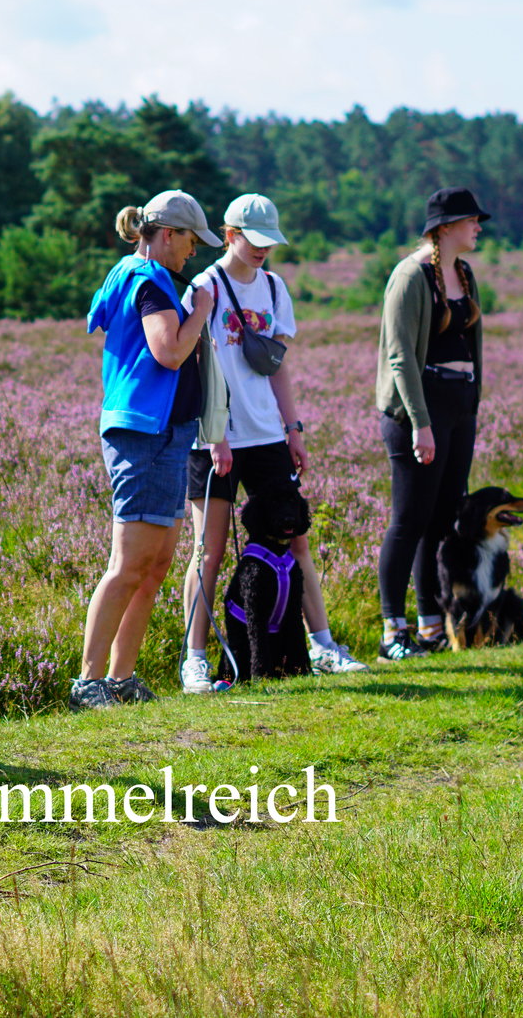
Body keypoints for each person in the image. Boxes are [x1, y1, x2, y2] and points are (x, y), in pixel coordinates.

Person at [180, 194, 367, 691]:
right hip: (214, 440)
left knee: (296, 541)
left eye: (270, 242)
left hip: (267, 437)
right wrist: (216, 435)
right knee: (208, 551)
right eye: (254, 241)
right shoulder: (204, 287)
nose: (263, 250)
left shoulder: (275, 287)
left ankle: (323, 646)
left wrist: (293, 428)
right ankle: (195, 659)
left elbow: (277, 366)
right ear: (230, 235)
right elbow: (195, 367)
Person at [75, 189, 222, 708]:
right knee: (128, 564)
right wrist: (200, 310)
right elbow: (169, 352)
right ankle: (88, 683)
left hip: (167, 432)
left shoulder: (140, 274)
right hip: (144, 433)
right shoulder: (148, 279)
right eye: (190, 240)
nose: (194, 252)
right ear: (167, 234)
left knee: (155, 564)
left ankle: (122, 679)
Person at [374, 187, 491, 660]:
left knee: (441, 522)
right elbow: (400, 356)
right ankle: (392, 633)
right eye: (471, 220)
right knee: (409, 520)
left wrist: (472, 404)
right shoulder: (410, 275)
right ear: (444, 228)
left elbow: (471, 345)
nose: (478, 227)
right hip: (417, 411)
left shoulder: (464, 272)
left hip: (459, 407)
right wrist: (420, 423)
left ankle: (429, 627)